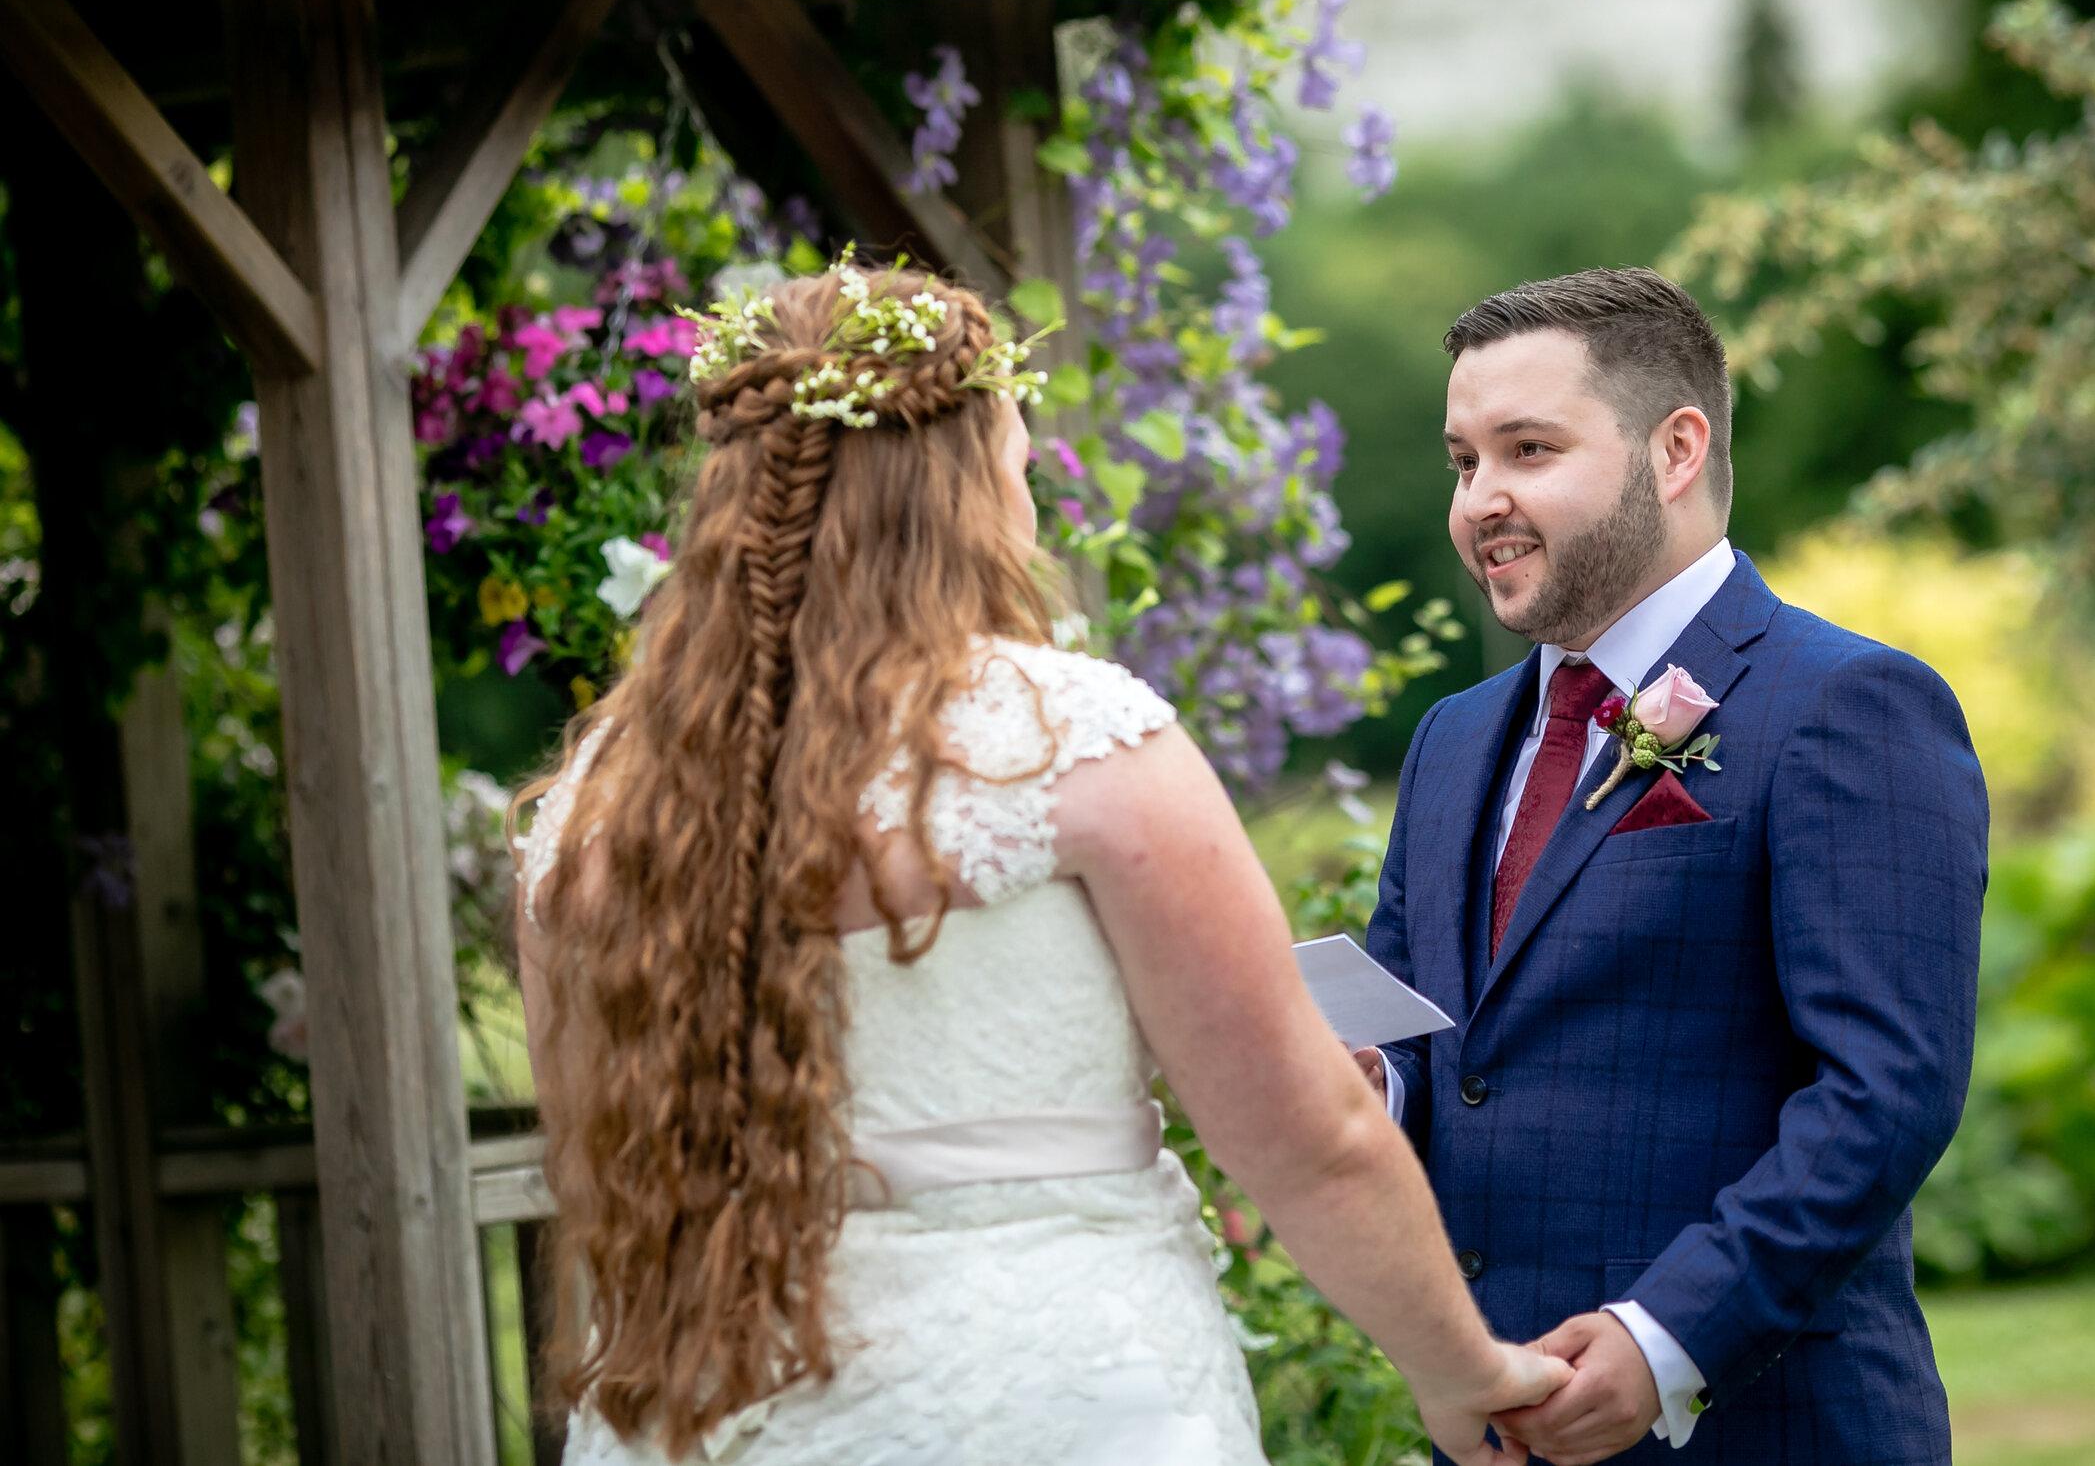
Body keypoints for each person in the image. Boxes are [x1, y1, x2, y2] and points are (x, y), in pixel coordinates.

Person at [512, 263, 1565, 1466]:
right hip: (1044, 1398)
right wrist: (1461, 1370)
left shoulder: (601, 796)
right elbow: (1308, 1133)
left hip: (708, 1407)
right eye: (1015, 462)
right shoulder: (1072, 738)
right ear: (963, 487)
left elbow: (593, 1153)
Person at [1360, 267, 1987, 1464]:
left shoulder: (1847, 704)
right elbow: (1432, 1045)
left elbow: (1885, 1090)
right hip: (1495, 1428)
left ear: (1676, 449)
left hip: (1764, 1428)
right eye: (1462, 461)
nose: (1480, 499)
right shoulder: (1449, 742)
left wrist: (1664, 1341)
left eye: (1528, 449)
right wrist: (1362, 1088)